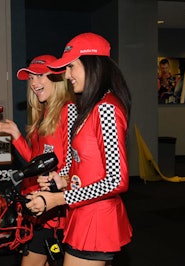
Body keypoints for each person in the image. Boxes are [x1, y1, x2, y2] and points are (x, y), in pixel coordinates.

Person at [26, 32, 133, 266]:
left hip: (96, 221)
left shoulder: (106, 108)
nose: (67, 75)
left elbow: (116, 180)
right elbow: (88, 167)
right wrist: (62, 179)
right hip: (82, 215)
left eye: (71, 67)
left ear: (92, 64)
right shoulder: (91, 107)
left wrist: (58, 198)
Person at [0, 54, 77, 266]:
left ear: (57, 79)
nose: (33, 83)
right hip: (40, 208)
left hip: (59, 212)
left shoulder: (69, 111)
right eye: (31, 78)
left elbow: (76, 166)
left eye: (40, 76)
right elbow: (35, 164)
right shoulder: (44, 113)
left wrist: (57, 184)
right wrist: (17, 135)